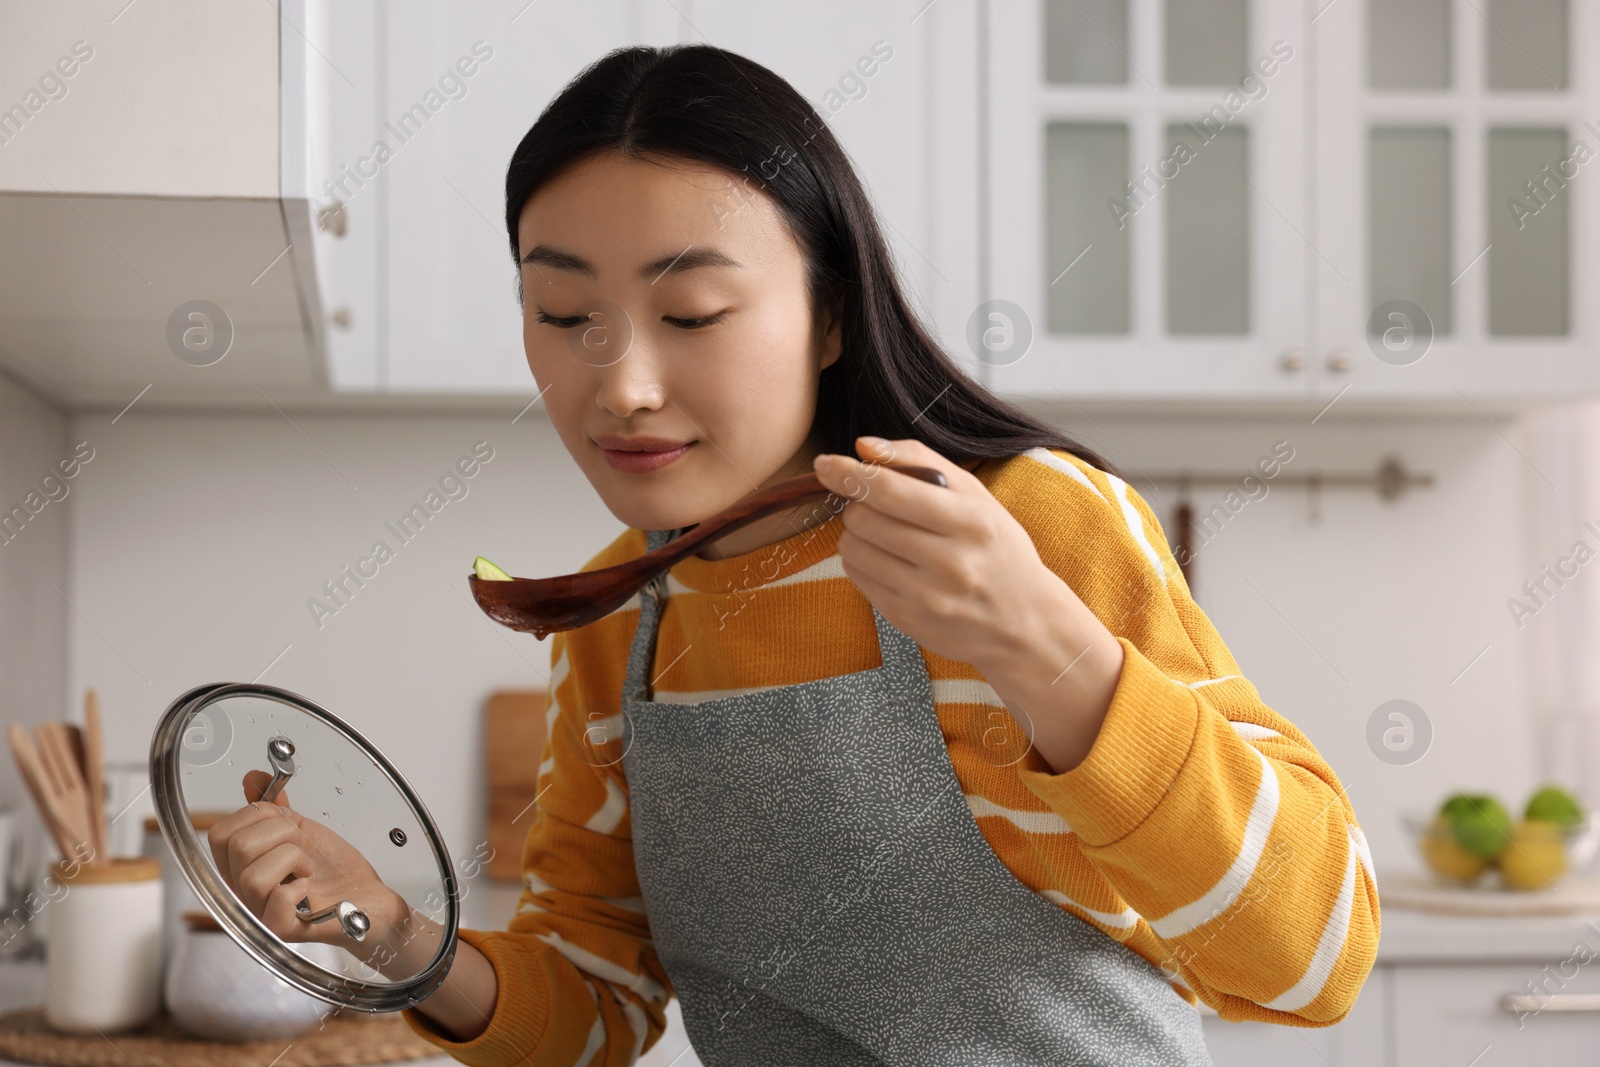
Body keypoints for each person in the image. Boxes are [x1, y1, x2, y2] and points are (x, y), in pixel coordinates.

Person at [208, 43, 1378, 1066]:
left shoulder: (1025, 522)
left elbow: (1314, 956)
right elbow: (594, 1004)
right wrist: (396, 932)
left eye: (694, 313)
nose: (621, 384)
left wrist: (1047, 647)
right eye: (564, 316)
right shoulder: (623, 613)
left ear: (827, 312)